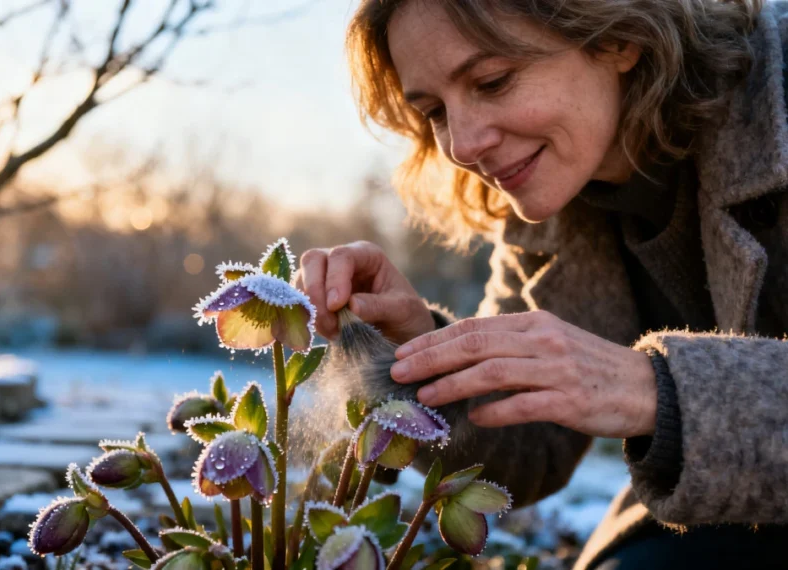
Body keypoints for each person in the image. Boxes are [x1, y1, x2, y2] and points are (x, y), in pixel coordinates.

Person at [295, 0, 788, 568]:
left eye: (492, 81)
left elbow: (654, 394)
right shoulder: (548, 213)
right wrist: (416, 348)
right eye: (434, 111)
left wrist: (658, 391)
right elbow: (523, 454)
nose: (462, 145)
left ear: (618, 35)